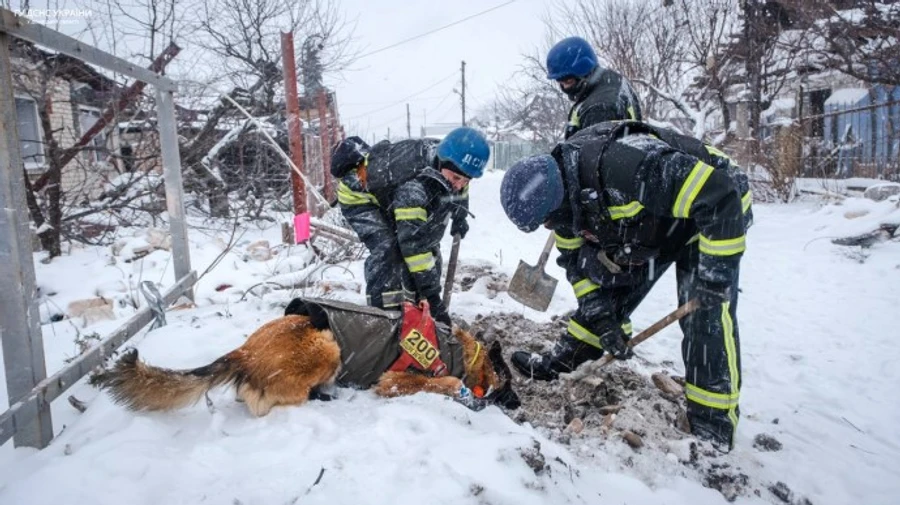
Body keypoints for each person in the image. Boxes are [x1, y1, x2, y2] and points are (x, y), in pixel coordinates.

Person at [499, 121, 753, 450]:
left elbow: (720, 198)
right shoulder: (565, 202)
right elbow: (578, 269)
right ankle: (567, 361)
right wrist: (603, 317)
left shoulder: (631, 167)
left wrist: (716, 276)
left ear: (556, 202)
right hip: (654, 223)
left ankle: (713, 425)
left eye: (548, 220)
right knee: (606, 288)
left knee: (704, 315)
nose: (550, 227)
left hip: (714, 209)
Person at [331, 127, 490, 326]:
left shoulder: (451, 163)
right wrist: (433, 298)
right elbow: (413, 244)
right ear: (442, 162)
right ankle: (384, 316)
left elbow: (461, 187)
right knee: (389, 250)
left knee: (429, 241)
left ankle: (415, 304)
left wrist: (460, 214)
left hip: (392, 193)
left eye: (466, 179)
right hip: (360, 197)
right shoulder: (413, 187)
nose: (459, 184)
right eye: (456, 178)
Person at [546, 36, 643, 139]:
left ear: (583, 71)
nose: (565, 87)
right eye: (560, 82)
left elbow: (593, 153)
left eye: (568, 81)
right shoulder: (611, 81)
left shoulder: (600, 108)